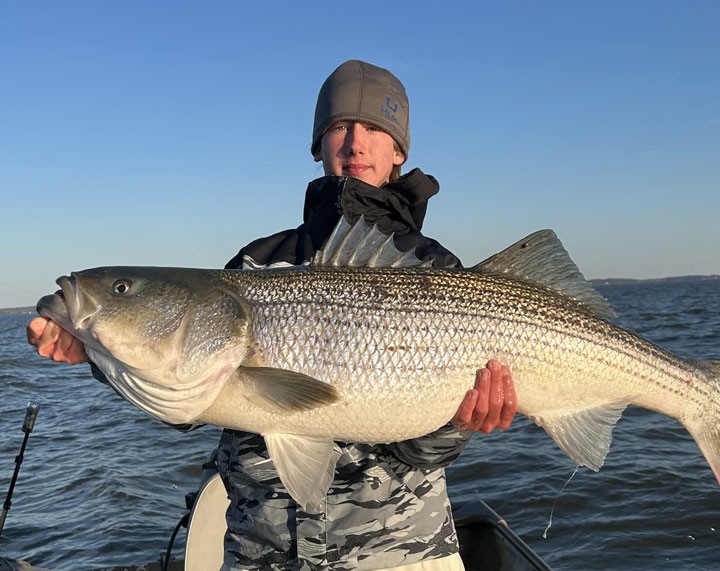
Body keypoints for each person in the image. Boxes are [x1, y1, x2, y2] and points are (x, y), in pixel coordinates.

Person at [28, 60, 518, 571]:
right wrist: (100, 354)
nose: (355, 142)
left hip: (399, 554)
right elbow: (189, 399)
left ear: (398, 151)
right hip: (262, 554)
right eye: (338, 126)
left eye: (375, 128)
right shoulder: (256, 263)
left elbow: (426, 454)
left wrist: (460, 424)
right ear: (318, 145)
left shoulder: (435, 270)